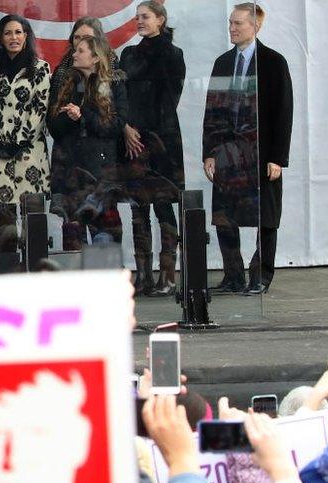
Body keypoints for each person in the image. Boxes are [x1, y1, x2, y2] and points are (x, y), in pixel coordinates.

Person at [203, 3, 293, 294]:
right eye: (230, 23)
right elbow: (212, 111)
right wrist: (209, 152)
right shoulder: (222, 63)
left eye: (238, 23)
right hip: (228, 154)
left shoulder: (273, 62)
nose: (232, 28)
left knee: (265, 218)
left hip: (262, 154)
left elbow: (284, 112)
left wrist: (278, 158)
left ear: (256, 26)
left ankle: (261, 276)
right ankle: (233, 276)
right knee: (224, 217)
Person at [121, 1, 186, 296]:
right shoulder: (129, 54)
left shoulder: (173, 55)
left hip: (161, 141)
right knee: (138, 208)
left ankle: (168, 275)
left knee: (163, 206)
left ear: (160, 20)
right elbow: (120, 94)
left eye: (145, 17)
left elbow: (169, 100)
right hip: (132, 139)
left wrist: (145, 133)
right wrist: (126, 127)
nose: (139, 21)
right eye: (137, 17)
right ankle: (144, 275)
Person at [48, 36, 129, 250]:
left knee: (104, 239)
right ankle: (78, 282)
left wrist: (83, 114)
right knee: (75, 242)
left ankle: (105, 280)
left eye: (80, 51)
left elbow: (115, 126)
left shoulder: (112, 85)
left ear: (94, 58)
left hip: (100, 176)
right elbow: (54, 126)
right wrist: (70, 117)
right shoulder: (68, 83)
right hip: (72, 174)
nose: (74, 54)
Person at [0, 15, 51, 204]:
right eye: (8, 33)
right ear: (0, 38)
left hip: (29, 150)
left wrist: (19, 142)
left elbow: (40, 108)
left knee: (33, 216)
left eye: (18, 32)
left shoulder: (40, 69)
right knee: (2, 218)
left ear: (26, 36)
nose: (13, 38)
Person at [50, 17, 108, 100]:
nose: (81, 42)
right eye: (77, 37)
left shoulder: (112, 71)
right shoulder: (61, 71)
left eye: (87, 37)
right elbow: (53, 106)